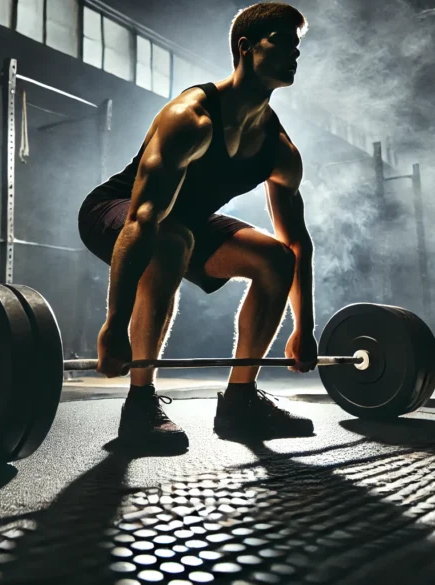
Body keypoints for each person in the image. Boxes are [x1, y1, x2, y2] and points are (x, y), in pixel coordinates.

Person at [77, 2, 317, 452]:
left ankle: (241, 401)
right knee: (172, 239)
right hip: (118, 209)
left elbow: (296, 241)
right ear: (245, 47)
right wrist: (114, 326)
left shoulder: (279, 148)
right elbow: (144, 217)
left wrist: (304, 327)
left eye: (297, 45)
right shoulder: (191, 117)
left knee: (274, 258)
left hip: (185, 222)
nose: (295, 53)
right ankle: (140, 403)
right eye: (282, 41)